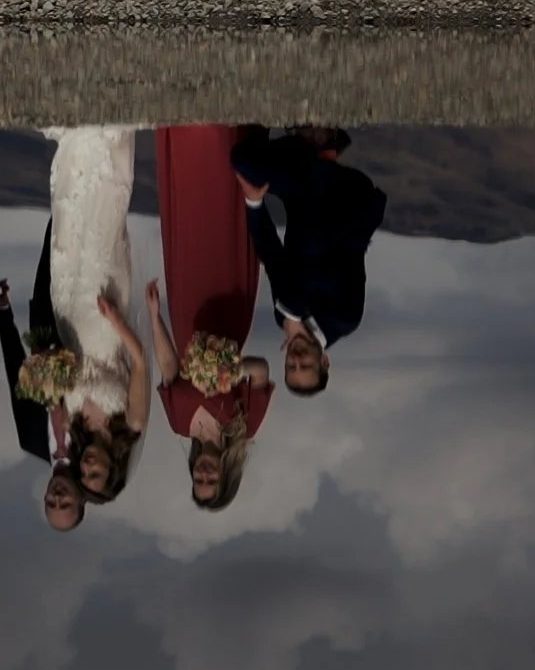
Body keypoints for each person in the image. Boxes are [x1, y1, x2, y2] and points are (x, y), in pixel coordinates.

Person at [150, 124, 272, 512]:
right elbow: (262, 372)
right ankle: (226, 131)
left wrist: (155, 317)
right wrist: (227, 368)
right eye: (211, 480)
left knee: (187, 217)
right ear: (226, 475)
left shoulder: (177, 423)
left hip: (187, 313)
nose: (203, 474)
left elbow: (170, 369)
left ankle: (182, 135)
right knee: (223, 213)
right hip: (230, 312)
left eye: (197, 480)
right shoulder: (245, 427)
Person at [42, 125, 149, 518]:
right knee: (104, 226)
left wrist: (47, 370)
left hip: (70, 314)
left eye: (83, 472)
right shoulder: (131, 420)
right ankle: (108, 140)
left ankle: (75, 145)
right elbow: (139, 361)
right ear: (113, 470)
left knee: (69, 236)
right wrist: (118, 320)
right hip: (107, 317)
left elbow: (60, 369)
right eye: (96, 473)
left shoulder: (74, 424)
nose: (87, 467)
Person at [234, 127, 388, 397]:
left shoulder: (282, 316)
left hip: (302, 198)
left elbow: (272, 258)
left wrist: (254, 204)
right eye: (305, 364)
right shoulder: (344, 319)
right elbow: (315, 273)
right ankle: (321, 147)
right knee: (312, 241)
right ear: (324, 362)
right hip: (343, 199)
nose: (296, 358)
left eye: (291, 366)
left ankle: (311, 147)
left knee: (243, 163)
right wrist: (292, 315)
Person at [0, 226, 87, 532]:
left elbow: (14, 372)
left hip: (44, 324)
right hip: (83, 328)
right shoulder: (92, 451)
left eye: (50, 503)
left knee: (58, 232)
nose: (57, 497)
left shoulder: (30, 439)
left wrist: (3, 312)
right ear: (81, 499)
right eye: (65, 504)